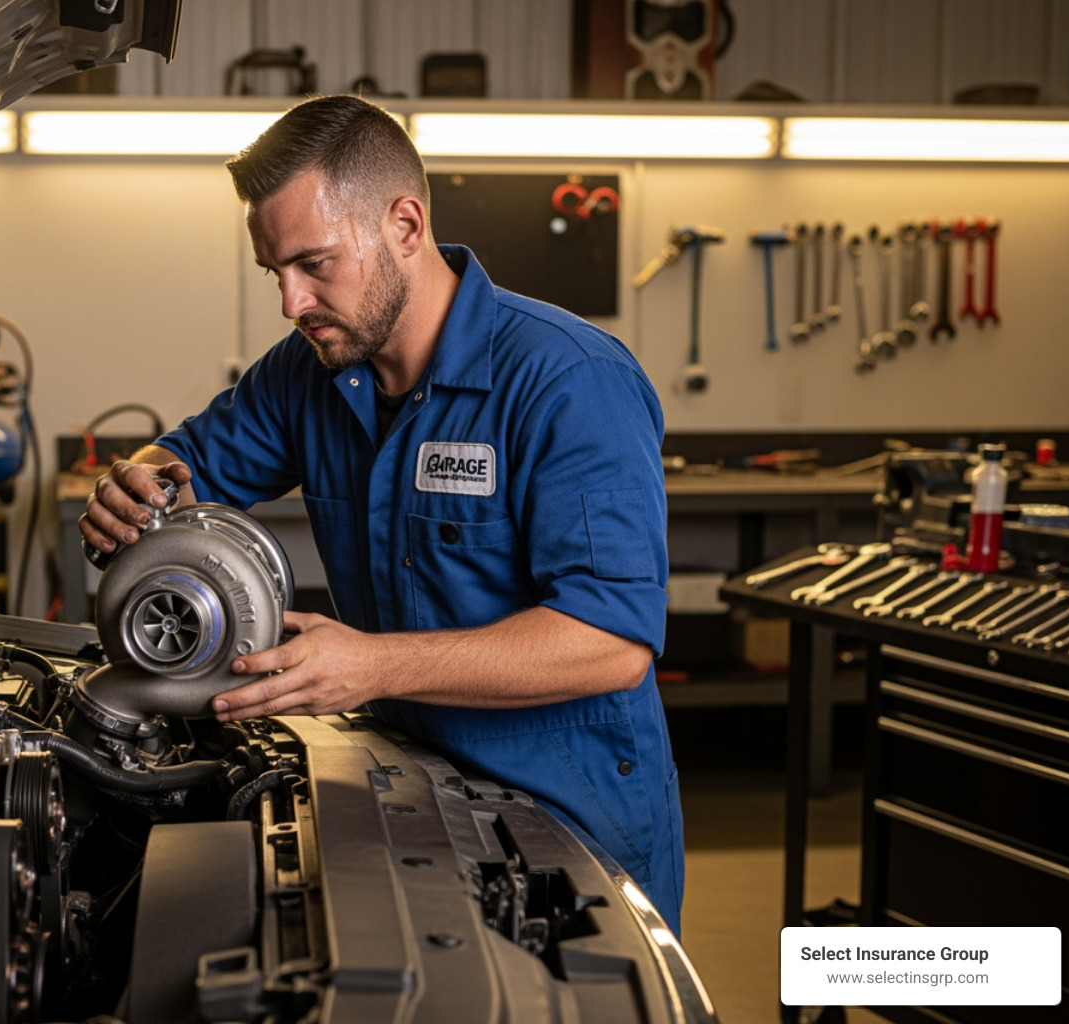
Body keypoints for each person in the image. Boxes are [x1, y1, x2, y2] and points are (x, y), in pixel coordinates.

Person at [78, 94, 683, 934]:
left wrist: (374, 668)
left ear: (404, 223)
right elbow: (192, 462)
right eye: (275, 272)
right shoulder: (308, 374)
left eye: (315, 264)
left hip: (573, 832)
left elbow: (612, 643)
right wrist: (140, 485)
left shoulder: (568, 382)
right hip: (410, 793)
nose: (292, 302)